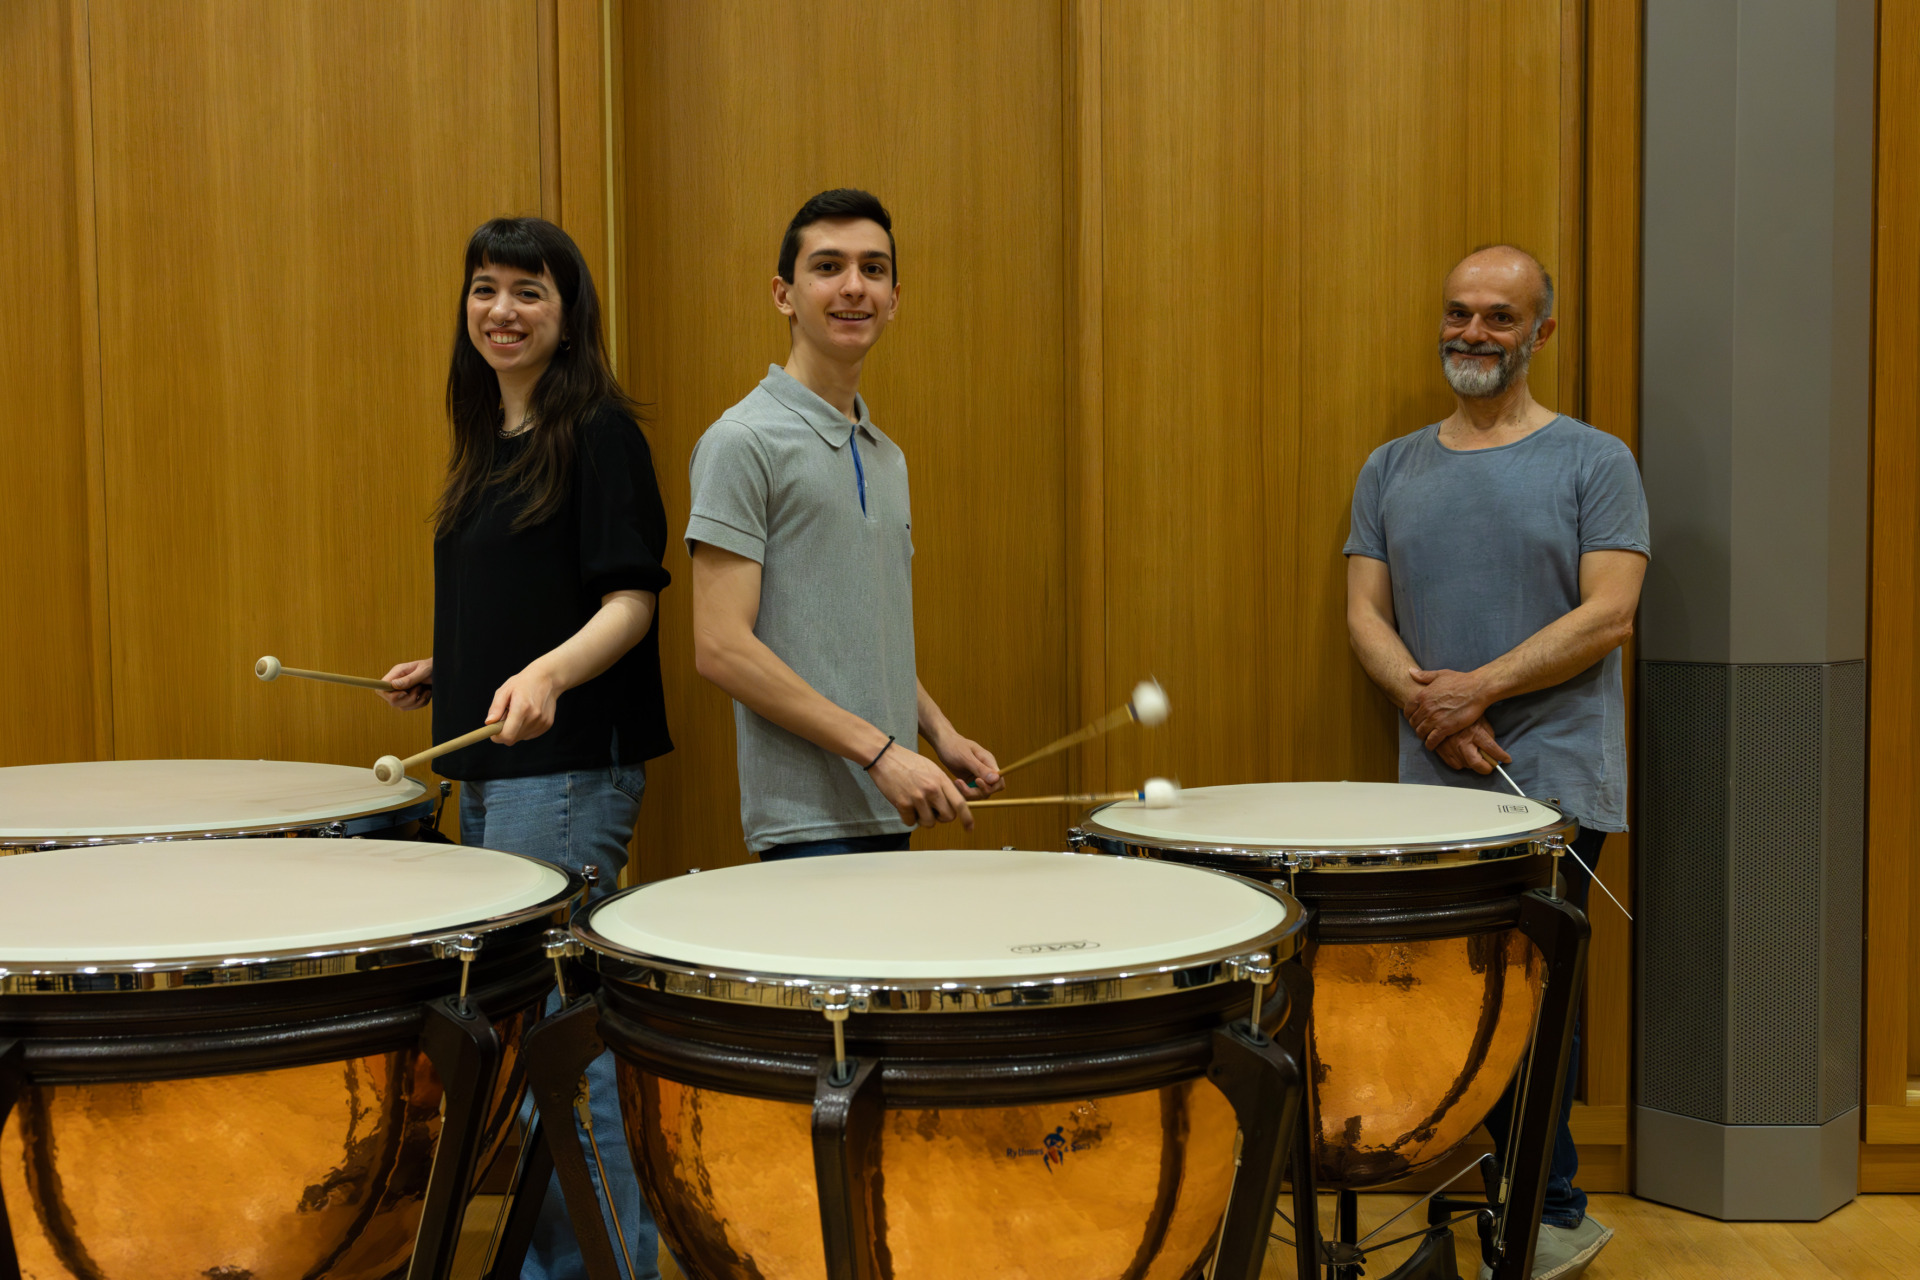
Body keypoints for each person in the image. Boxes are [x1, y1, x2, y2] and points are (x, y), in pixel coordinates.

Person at [1343, 245, 1648, 1280]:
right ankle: (1507, 1199)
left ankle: (1548, 1204)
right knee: (1447, 1004)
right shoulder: (1390, 466)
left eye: (1499, 317)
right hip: (1433, 786)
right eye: (1460, 313)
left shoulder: (1595, 461)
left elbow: (1610, 612)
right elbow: (1363, 615)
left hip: (1550, 779)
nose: (1473, 333)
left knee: (1535, 999)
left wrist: (1480, 689)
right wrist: (1434, 707)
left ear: (1540, 333)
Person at [379, 216, 669, 1280]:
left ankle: (606, 1267)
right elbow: (524, 601)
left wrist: (548, 674)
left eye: (528, 292)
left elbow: (630, 601)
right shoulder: (488, 439)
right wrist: (447, 671)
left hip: (568, 775)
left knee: (566, 1045)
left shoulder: (597, 428)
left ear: (567, 312)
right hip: (499, 775)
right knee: (528, 1044)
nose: (502, 310)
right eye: (486, 289)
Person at [686, 188, 1003, 859]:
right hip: (808, 825)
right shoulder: (742, 441)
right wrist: (883, 753)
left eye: (874, 269)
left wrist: (937, 733)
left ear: (894, 298)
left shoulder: (887, 457)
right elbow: (720, 646)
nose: (854, 287)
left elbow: (858, 634)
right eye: (828, 267)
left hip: (890, 809)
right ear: (783, 294)